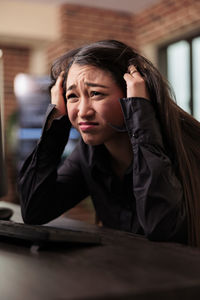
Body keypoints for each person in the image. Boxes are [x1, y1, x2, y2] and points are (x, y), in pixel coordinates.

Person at [18, 40, 200, 246]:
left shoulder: (184, 149)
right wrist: (55, 122)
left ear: (132, 95)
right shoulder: (89, 154)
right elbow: (34, 210)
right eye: (72, 96)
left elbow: (163, 230)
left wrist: (140, 114)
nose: (83, 111)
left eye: (96, 93)